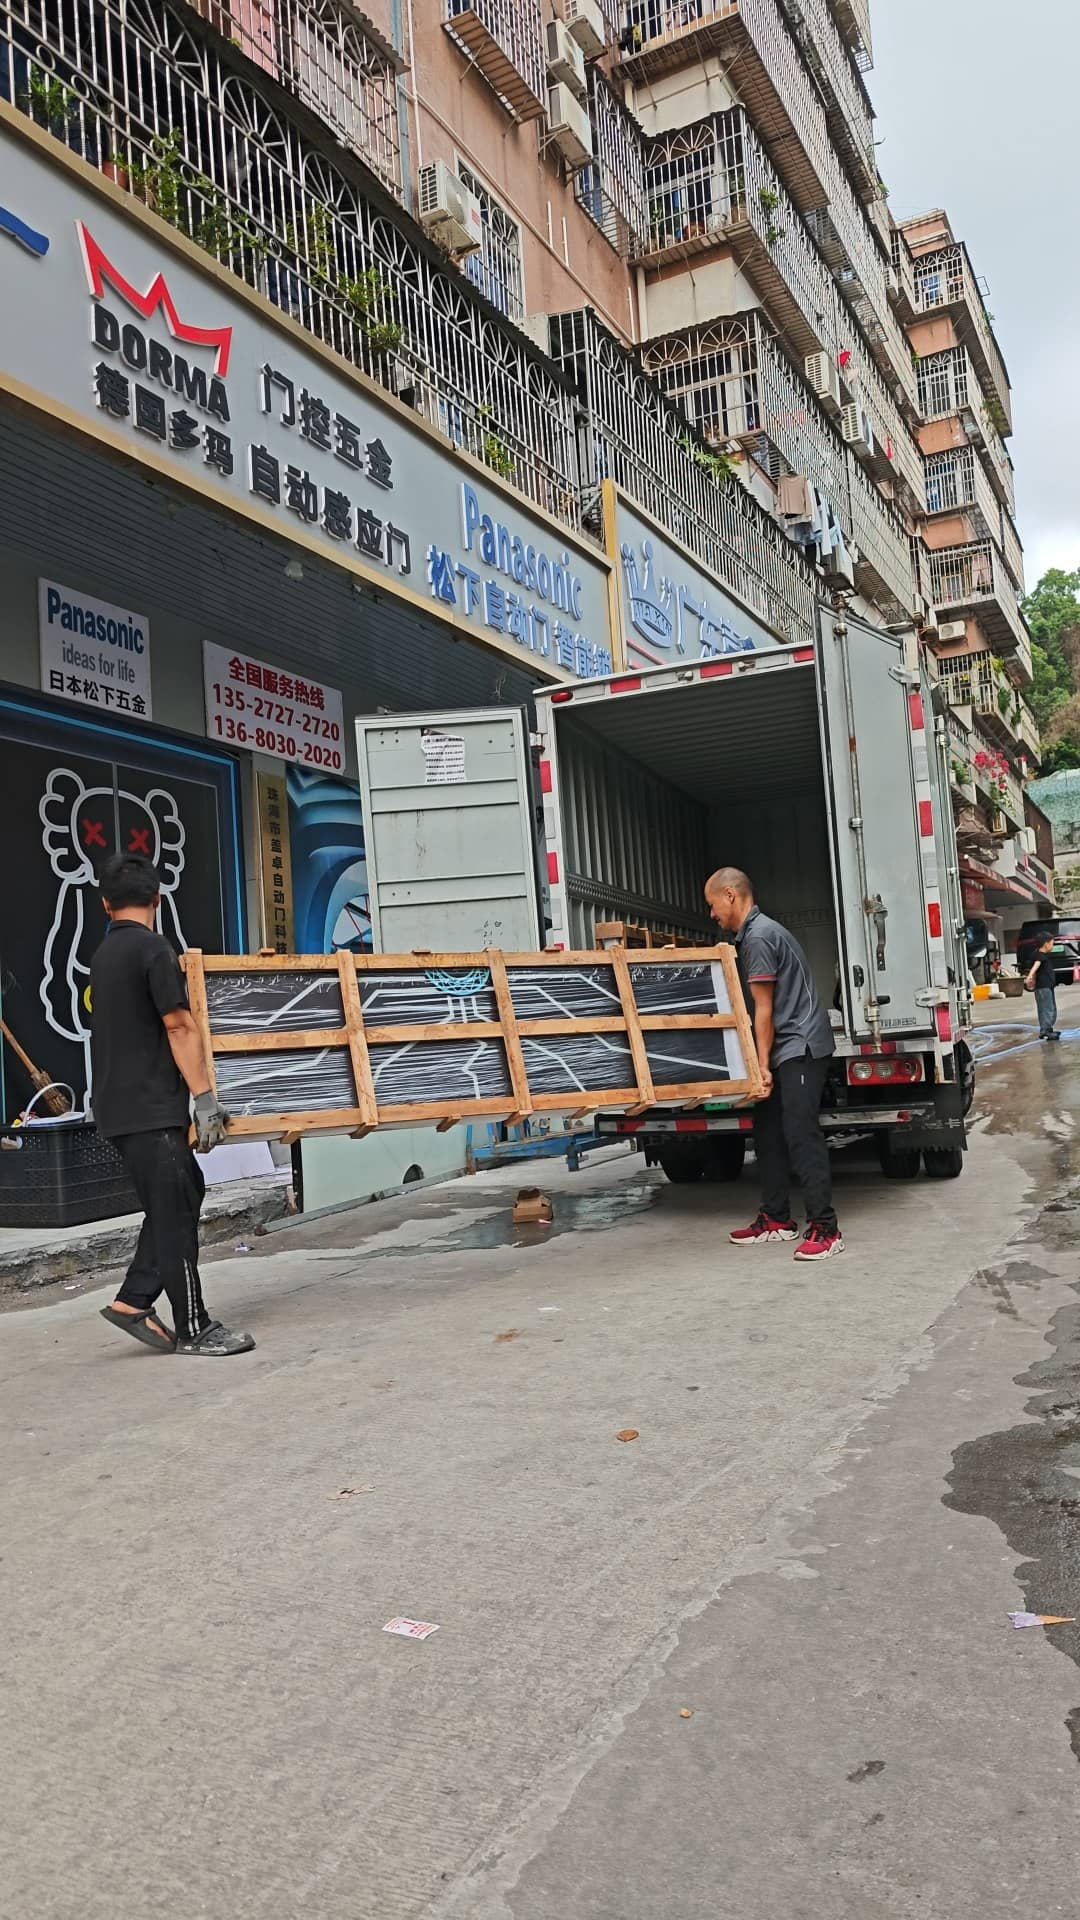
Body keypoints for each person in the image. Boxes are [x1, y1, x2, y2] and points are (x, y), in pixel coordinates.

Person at [89, 852, 255, 1356]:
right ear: (158, 899)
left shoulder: (103, 956)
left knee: (182, 1196)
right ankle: (194, 1327)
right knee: (175, 1212)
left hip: (121, 1108)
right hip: (150, 1107)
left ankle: (133, 1300)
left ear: (105, 904)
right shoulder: (153, 949)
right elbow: (179, 1025)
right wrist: (205, 1099)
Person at [705, 866, 843, 1261]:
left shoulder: (760, 937)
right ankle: (777, 1218)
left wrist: (761, 1067)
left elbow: (763, 1009)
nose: (712, 914)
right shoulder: (755, 933)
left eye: (713, 905)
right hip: (787, 1046)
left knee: (800, 1134)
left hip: (800, 1046)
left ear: (730, 895)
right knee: (767, 1132)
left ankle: (826, 1229)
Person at [1024, 937, 1060, 1042]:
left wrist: (1033, 980)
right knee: (1047, 1009)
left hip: (1047, 986)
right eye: (1052, 944)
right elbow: (1036, 966)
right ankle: (1046, 1031)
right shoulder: (1040, 956)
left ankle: (1048, 1029)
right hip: (1043, 987)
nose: (1052, 946)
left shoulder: (1039, 955)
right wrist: (1030, 976)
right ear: (1046, 944)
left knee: (1049, 1008)